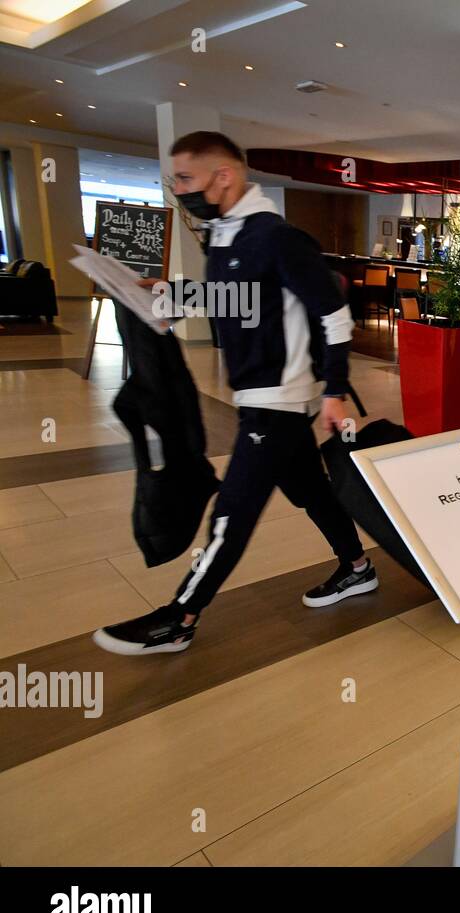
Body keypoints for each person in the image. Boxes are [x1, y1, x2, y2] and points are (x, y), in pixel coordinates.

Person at [94, 131, 375, 655]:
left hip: (277, 401)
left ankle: (180, 617)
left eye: (184, 177)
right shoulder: (226, 234)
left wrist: (335, 391)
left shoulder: (276, 238)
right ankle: (357, 568)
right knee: (313, 492)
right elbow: (244, 298)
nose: (177, 188)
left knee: (232, 513)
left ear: (223, 176)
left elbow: (334, 315)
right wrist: (173, 295)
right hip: (260, 398)